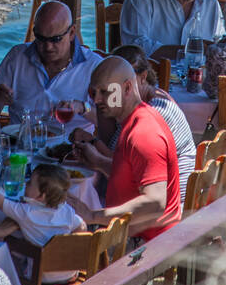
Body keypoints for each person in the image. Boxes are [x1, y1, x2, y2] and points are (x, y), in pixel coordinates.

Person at [72, 46, 195, 207]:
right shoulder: (140, 107)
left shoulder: (152, 116)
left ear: (142, 78)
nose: (98, 98)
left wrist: (94, 145)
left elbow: (119, 164)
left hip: (171, 206)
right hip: (157, 200)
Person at [76, 56, 180, 242]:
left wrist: (92, 215)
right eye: (93, 93)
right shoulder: (136, 120)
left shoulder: (143, 133)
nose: (97, 100)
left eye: (105, 92)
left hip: (144, 247)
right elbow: (131, 177)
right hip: (136, 239)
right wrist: (99, 163)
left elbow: (155, 202)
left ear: (127, 88)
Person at [0, 0, 100, 127]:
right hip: (20, 143)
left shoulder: (95, 66)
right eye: (41, 39)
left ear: (72, 33)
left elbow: (113, 123)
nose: (48, 47)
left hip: (72, 145)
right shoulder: (18, 56)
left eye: (56, 39)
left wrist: (83, 108)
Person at [0, 164, 86, 285]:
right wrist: (71, 246)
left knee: (5, 250)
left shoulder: (26, 213)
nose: (26, 183)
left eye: (30, 183)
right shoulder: (66, 210)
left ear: (42, 195)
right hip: (68, 273)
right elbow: (82, 226)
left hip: (39, 275)